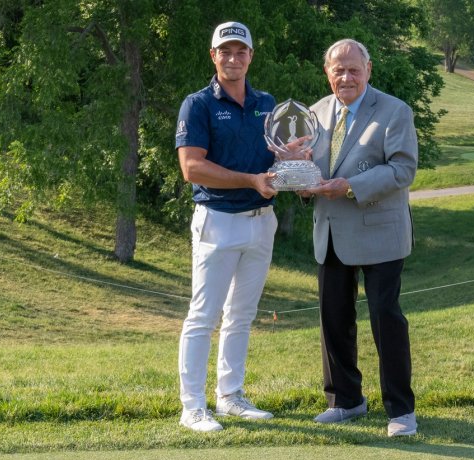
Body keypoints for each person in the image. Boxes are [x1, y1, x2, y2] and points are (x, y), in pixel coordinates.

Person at [302, 38, 419, 437]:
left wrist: (350, 185)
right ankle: (346, 400)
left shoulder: (394, 111)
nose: (346, 77)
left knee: (386, 319)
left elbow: (403, 169)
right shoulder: (314, 114)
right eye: (339, 70)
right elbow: (309, 169)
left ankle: (401, 411)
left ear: (368, 70)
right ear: (327, 73)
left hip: (380, 232)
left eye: (354, 69)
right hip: (331, 232)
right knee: (333, 318)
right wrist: (299, 179)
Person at [174, 21, 279, 432]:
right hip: (217, 221)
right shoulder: (198, 104)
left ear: (251, 56)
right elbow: (192, 168)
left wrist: (296, 169)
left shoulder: (267, 102)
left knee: (241, 315)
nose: (233, 59)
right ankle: (193, 406)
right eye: (226, 51)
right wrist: (251, 180)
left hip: (260, 222)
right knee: (203, 315)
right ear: (213, 55)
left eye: (241, 52)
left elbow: (277, 158)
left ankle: (231, 396)